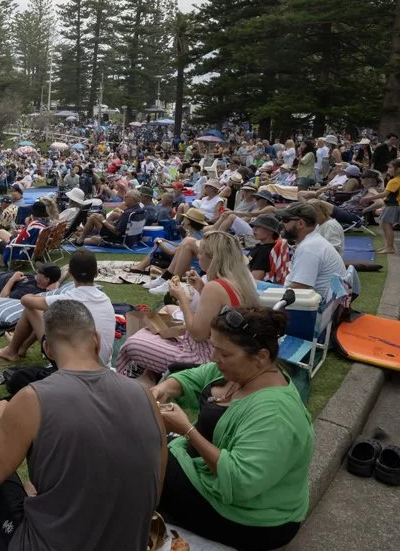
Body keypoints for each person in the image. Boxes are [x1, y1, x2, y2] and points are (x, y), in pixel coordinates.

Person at [0, 300, 166, 550]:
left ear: (47, 348)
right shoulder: (147, 397)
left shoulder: (33, 398)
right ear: (97, 340)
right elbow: (154, 492)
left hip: (40, 543)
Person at [151, 307, 313, 550]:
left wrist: (187, 431)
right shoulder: (238, 371)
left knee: (142, 466)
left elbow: (239, 481)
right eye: (213, 347)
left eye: (224, 353)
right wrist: (164, 389)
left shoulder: (275, 414)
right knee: (144, 448)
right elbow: (194, 377)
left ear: (261, 356)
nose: (214, 357)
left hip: (253, 518)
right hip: (211, 476)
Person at [118, 231, 259, 380]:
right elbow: (220, 311)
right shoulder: (240, 280)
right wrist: (201, 288)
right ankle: (147, 372)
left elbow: (198, 334)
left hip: (207, 359)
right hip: (231, 351)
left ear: (213, 258)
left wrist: (181, 298)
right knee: (156, 320)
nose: (198, 256)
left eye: (201, 253)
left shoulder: (215, 287)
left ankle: (137, 372)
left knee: (132, 344)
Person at [0, 250, 116, 366]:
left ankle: (11, 351)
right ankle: (22, 347)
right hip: (102, 364)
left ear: (71, 273)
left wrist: (37, 295)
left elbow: (25, 300)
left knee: (31, 309)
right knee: (51, 315)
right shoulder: (105, 299)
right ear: (96, 273)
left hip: (75, 365)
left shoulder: (68, 299)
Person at [277, 203, 346, 303]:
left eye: (286, 220)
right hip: (315, 300)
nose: (282, 223)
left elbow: (299, 287)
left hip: (310, 305)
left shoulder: (309, 249)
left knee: (256, 292)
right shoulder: (312, 242)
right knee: (256, 285)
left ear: (301, 223)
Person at [367, 158, 400, 254]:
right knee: (385, 224)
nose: (388, 170)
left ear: (398, 169)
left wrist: (370, 198)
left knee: (386, 225)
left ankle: (390, 247)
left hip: (393, 205)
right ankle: (388, 246)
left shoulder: (395, 181)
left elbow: (385, 194)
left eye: (390, 168)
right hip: (395, 205)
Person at [246, 215, 289, 283]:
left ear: (270, 231)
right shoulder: (264, 247)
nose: (254, 229)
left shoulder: (263, 252)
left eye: (258, 227)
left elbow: (254, 280)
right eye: (253, 226)